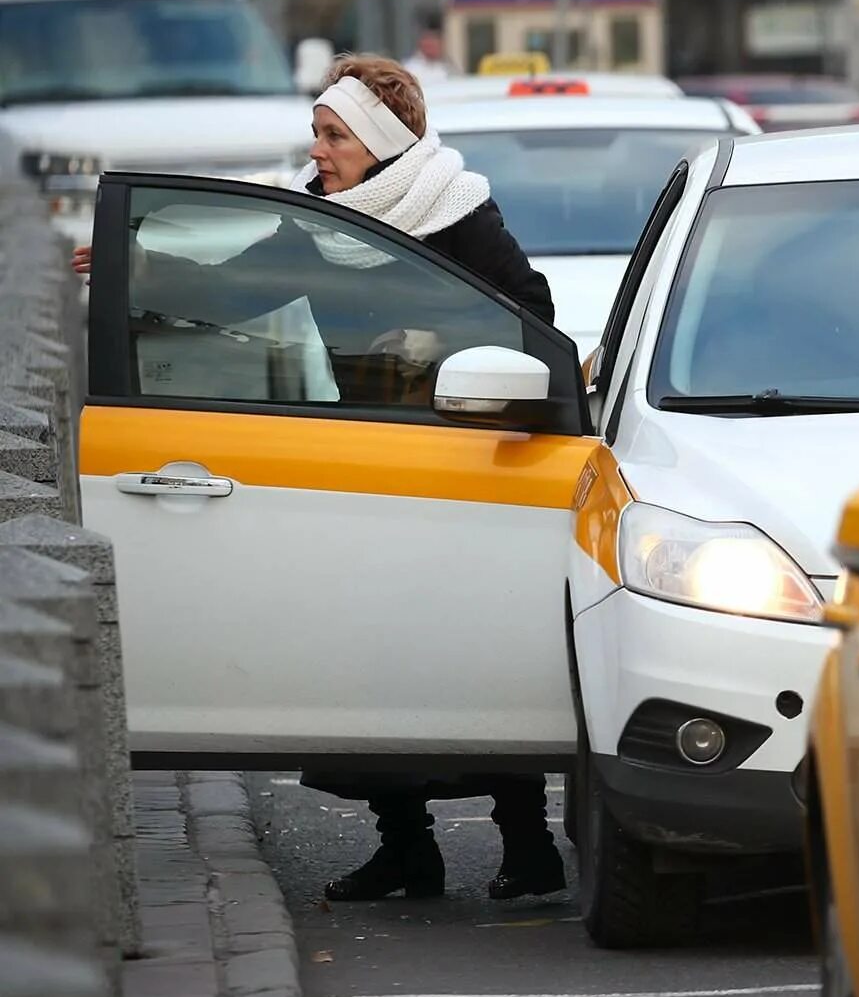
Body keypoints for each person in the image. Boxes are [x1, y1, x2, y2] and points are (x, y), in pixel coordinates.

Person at [71, 54, 564, 903]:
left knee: (467, 655)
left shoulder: (459, 211)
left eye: (334, 135)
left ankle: (529, 848)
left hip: (457, 469)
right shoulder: (320, 218)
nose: (320, 149)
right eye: (318, 133)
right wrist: (132, 266)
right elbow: (238, 288)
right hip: (358, 459)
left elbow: (534, 318)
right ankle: (406, 849)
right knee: (370, 659)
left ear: (376, 142)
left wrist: (431, 343)